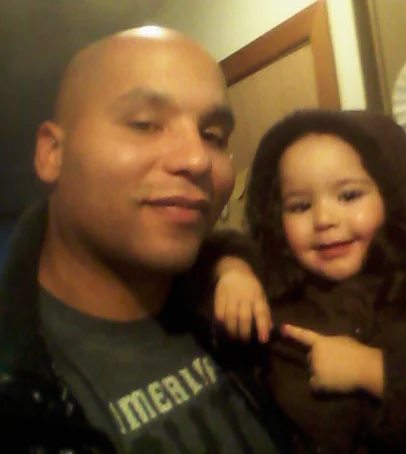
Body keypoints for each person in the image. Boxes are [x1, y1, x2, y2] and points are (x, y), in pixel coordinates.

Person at [0, 27, 293, 453]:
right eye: (145, 124)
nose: (196, 159)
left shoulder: (246, 300)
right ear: (53, 153)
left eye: (213, 136)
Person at [212, 109, 406, 454]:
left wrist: (373, 369)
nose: (324, 219)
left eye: (350, 196)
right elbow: (205, 259)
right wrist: (232, 270)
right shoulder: (279, 290)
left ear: (394, 197)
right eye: (300, 206)